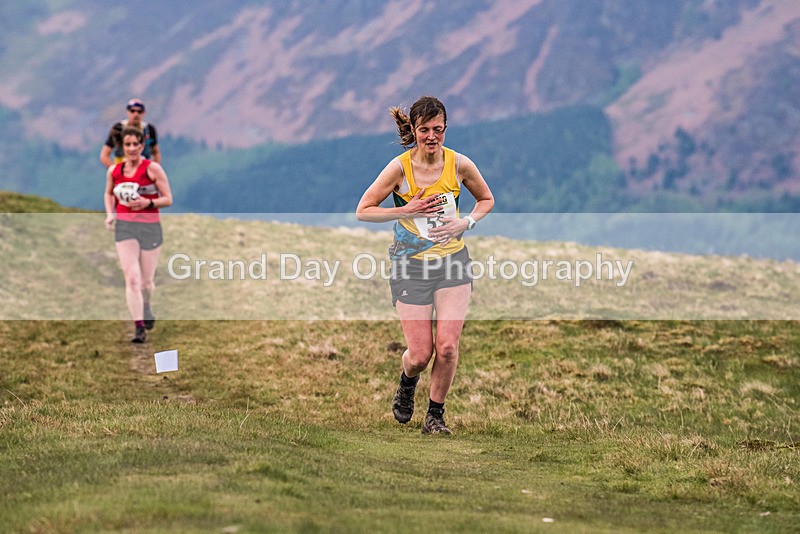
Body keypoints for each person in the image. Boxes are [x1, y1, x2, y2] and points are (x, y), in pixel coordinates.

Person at [356, 96, 494, 435]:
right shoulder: (399, 168)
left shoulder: (460, 164)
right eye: (424, 130)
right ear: (413, 130)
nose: (432, 137)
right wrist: (406, 211)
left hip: (452, 263)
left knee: (447, 348)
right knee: (420, 354)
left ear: (445, 128)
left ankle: (435, 416)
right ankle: (407, 381)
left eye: (438, 129)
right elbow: (364, 210)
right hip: (410, 266)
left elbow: (486, 199)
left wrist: (467, 223)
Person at [104, 127, 173, 343]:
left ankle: (146, 305)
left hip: (150, 227)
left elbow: (168, 198)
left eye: (136, 144)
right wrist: (110, 214)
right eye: (128, 145)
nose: (132, 148)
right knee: (132, 279)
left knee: (146, 283)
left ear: (142, 146)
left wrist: (148, 203)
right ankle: (139, 327)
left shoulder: (152, 169)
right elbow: (108, 192)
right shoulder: (114, 171)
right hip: (125, 227)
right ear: (122, 148)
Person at [100, 98, 161, 168]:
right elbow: (104, 155)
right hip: (122, 167)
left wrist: (154, 170)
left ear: (143, 112)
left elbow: (156, 152)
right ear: (127, 112)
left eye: (139, 111)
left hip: (143, 170)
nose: (136, 114)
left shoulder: (149, 130)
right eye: (132, 111)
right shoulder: (118, 128)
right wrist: (115, 172)